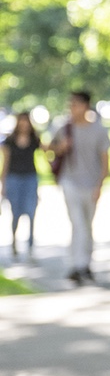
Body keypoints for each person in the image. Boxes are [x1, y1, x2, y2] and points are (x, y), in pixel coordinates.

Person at [49, 90, 110, 286]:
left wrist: (100, 184)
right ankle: (77, 265)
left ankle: (85, 264)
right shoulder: (63, 128)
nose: (71, 108)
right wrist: (62, 147)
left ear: (85, 105)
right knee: (77, 223)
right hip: (70, 181)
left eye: (75, 104)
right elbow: (49, 149)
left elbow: (105, 160)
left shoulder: (99, 130)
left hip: (91, 183)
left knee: (87, 225)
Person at [2, 111, 42, 262]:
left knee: (31, 212)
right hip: (14, 179)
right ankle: (14, 241)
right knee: (16, 213)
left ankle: (30, 246)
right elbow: (5, 163)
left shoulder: (34, 140)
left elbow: (47, 152)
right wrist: (3, 184)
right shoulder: (10, 141)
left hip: (30, 178)